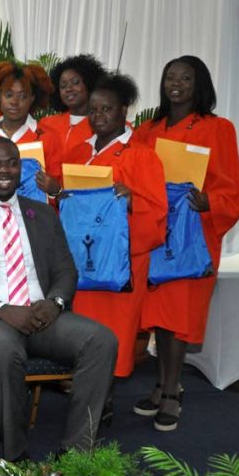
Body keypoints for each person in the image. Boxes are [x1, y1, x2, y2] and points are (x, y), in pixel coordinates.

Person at [0, 138, 117, 462]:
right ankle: (16, 461)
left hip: (42, 316)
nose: (5, 170)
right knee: (3, 351)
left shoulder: (43, 214)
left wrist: (55, 303)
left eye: (12, 163)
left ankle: (76, 455)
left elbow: (66, 271)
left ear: (21, 168)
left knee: (101, 341)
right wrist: (1, 309)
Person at [132, 56, 239, 431]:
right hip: (156, 234)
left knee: (178, 315)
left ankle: (170, 393)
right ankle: (165, 383)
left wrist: (209, 200)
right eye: (169, 77)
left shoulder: (218, 129)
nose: (175, 83)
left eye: (185, 77)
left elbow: (231, 188)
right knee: (160, 317)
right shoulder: (148, 130)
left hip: (192, 237)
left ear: (200, 85)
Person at [64, 74, 168, 378]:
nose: (98, 117)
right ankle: (86, 392)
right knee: (80, 330)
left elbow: (158, 211)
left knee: (114, 333)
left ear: (124, 110)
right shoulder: (78, 153)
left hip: (121, 262)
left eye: (106, 109)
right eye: (93, 110)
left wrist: (133, 199)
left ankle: (104, 400)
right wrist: (57, 191)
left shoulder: (142, 156)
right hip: (82, 260)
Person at [0, 61, 63, 196]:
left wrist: (55, 191)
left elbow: (59, 191)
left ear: (32, 99)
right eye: (9, 95)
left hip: (34, 214)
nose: (14, 102)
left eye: (22, 96)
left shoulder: (48, 137)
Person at [39, 55, 107, 158]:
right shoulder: (46, 124)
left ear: (90, 84)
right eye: (63, 85)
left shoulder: (104, 124)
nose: (68, 89)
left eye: (75, 82)